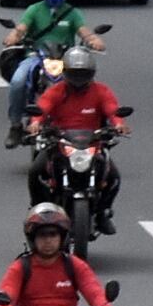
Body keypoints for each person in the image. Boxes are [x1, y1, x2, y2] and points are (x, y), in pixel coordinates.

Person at [28, 46, 128, 232]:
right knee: (36, 172)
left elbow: (112, 109)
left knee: (113, 177)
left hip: (92, 144)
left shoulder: (101, 91)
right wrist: (35, 123)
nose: (79, 78)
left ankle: (102, 213)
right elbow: (43, 108)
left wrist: (118, 124)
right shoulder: (56, 91)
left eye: (83, 73)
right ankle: (38, 207)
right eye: (75, 73)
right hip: (60, 143)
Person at [3, 0, 107, 145]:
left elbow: (84, 32)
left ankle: (100, 126)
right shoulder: (34, 10)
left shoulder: (72, 13)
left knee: (89, 83)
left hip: (65, 59)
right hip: (36, 57)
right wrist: (14, 36)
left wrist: (93, 40)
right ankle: (15, 125)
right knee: (18, 81)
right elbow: (22, 28)